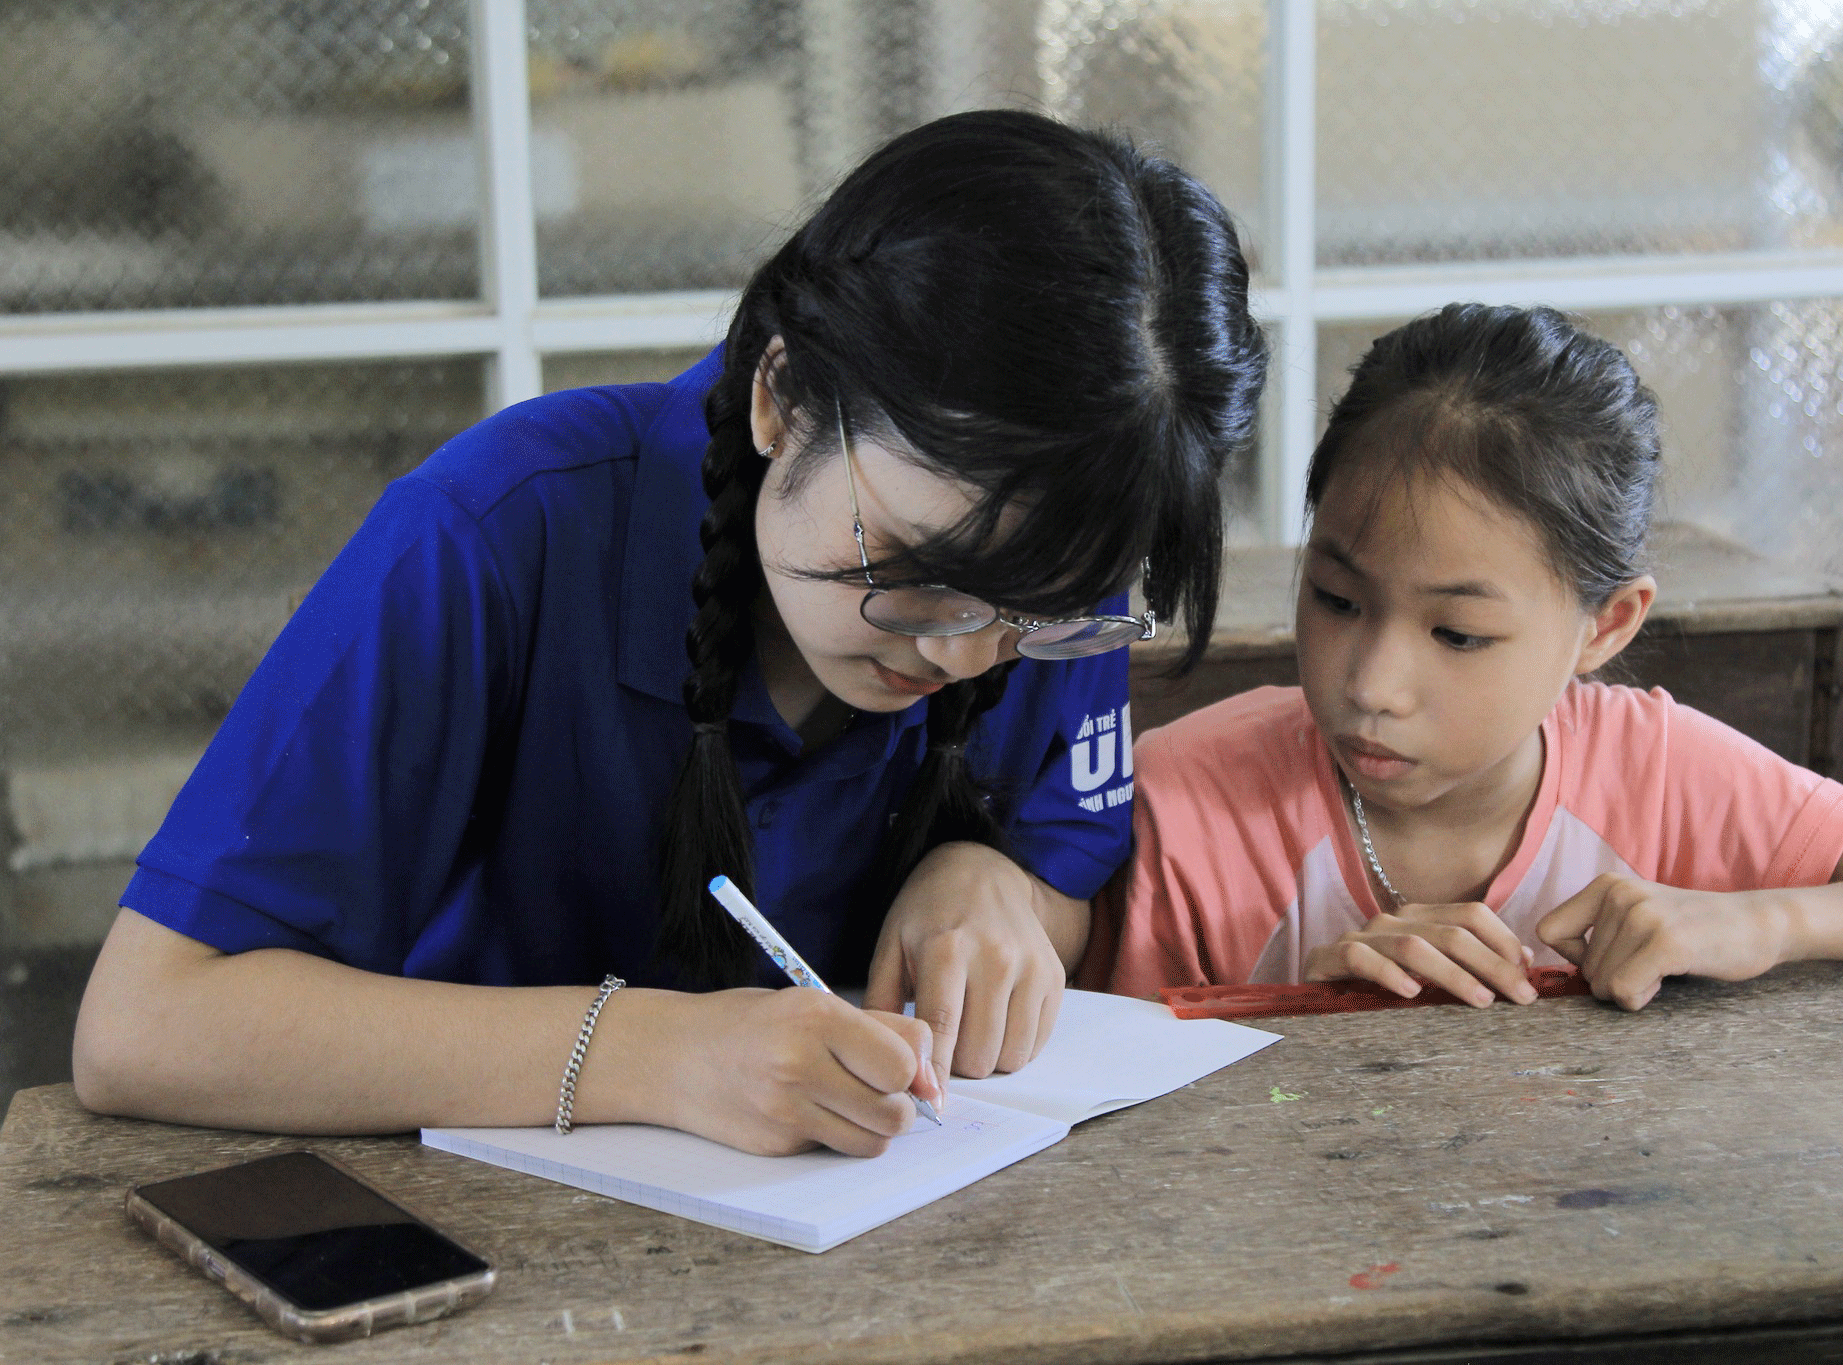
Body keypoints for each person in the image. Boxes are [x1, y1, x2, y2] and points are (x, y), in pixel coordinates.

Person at [70, 110, 1266, 1157]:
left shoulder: (1051, 576)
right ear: (781, 395)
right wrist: (651, 1056)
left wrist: (999, 888)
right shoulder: (497, 533)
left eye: (1040, 611)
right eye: (913, 568)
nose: (959, 654)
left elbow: (1070, 860)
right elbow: (148, 1027)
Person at [1083, 303, 1843, 1009]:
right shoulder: (1183, 804)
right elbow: (1091, 1085)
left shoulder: (1661, 772)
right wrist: (1307, 1013)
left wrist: (1766, 919)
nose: (1369, 684)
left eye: (1458, 634)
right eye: (1336, 598)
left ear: (1607, 626)